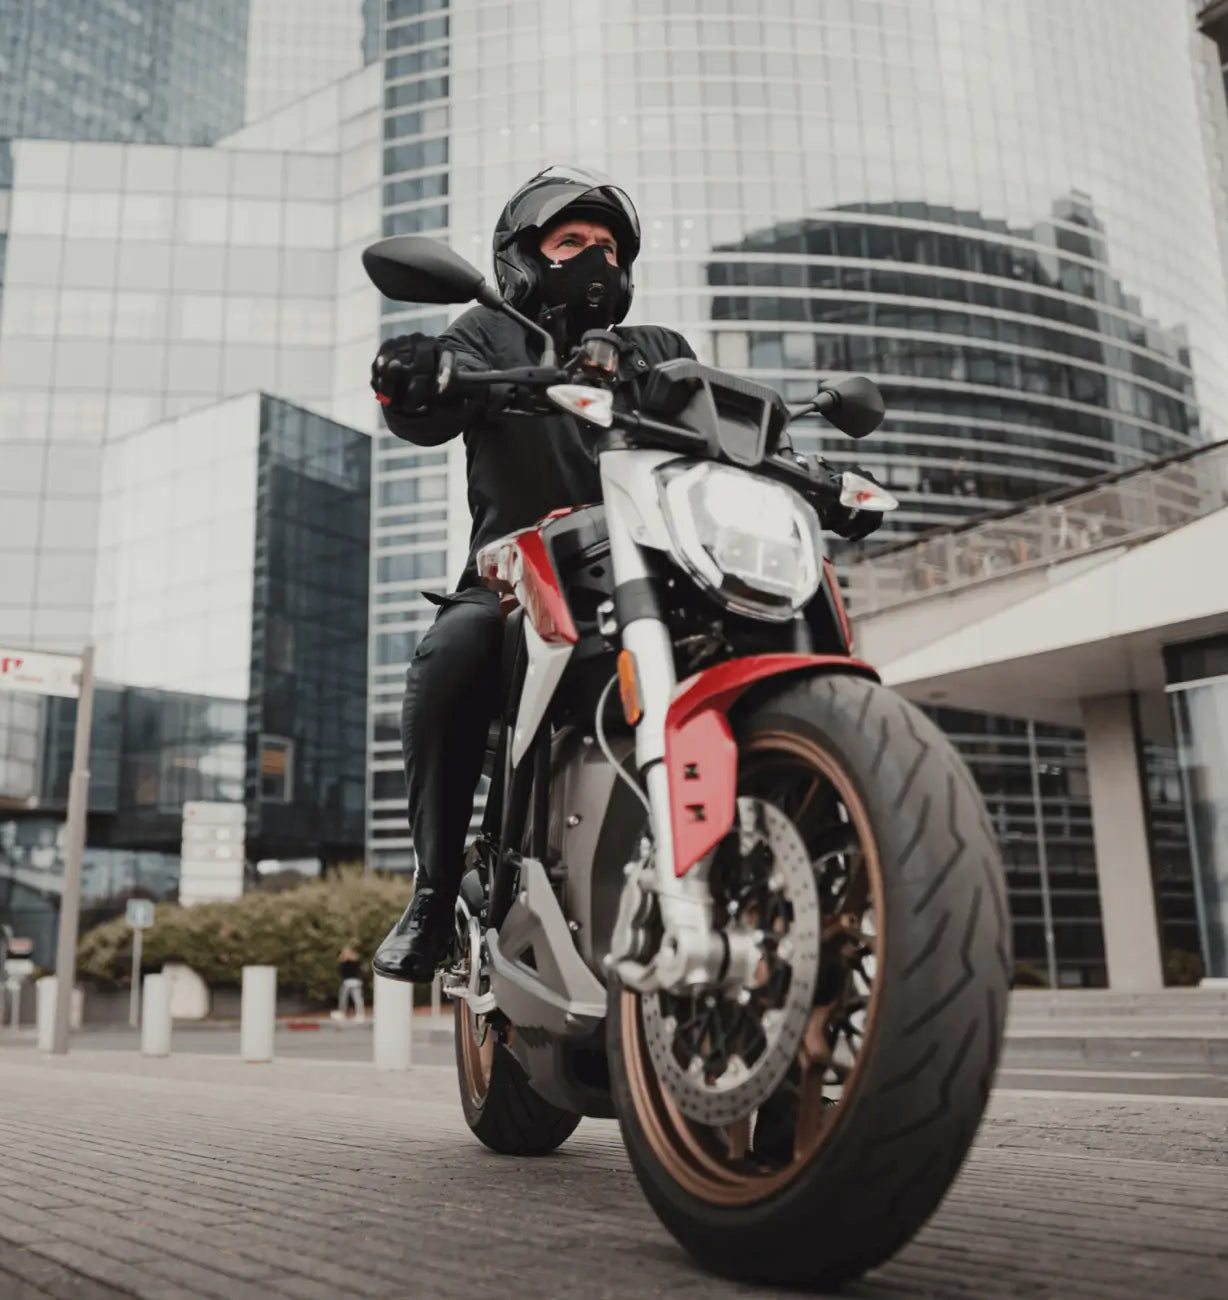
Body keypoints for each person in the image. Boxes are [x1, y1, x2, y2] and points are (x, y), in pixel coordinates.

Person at [368, 165, 882, 984]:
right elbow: (429, 405)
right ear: (522, 259)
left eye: (608, 247)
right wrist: (416, 372)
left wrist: (804, 467)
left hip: (658, 573)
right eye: (571, 243)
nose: (593, 260)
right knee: (453, 648)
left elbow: (720, 430)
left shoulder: (659, 351)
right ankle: (433, 895)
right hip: (520, 582)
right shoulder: (489, 333)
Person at [337, 945, 365, 1022]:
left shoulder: (355, 960)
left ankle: (360, 1014)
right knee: (343, 998)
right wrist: (344, 959)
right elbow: (342, 971)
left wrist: (350, 959)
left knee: (357, 998)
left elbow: (357, 967)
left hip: (355, 981)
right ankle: (342, 1013)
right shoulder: (343, 961)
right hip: (346, 982)